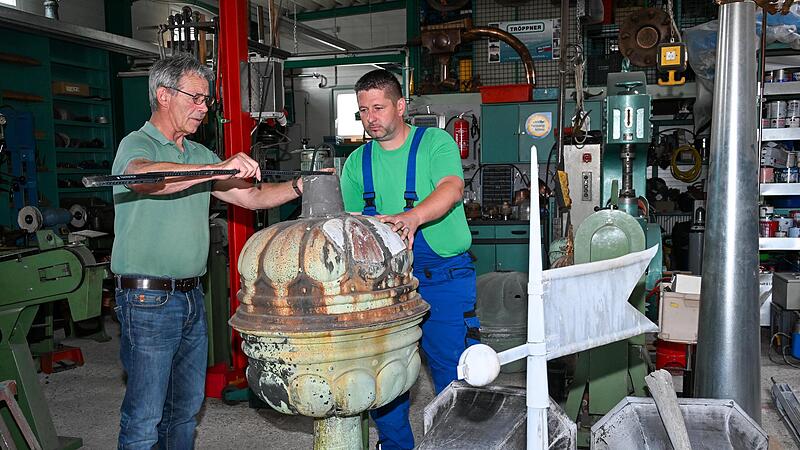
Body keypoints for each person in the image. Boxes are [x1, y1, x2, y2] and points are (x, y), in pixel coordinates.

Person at [111, 54, 303, 450]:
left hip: (191, 298)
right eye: (195, 98)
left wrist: (302, 187)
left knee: (185, 409)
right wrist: (217, 170)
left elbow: (251, 198)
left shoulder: (198, 155)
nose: (203, 108)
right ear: (164, 95)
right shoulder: (137, 144)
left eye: (206, 101)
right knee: (145, 416)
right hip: (147, 300)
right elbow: (145, 179)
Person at [339, 69, 480, 450]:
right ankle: (395, 445)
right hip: (385, 285)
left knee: (454, 372)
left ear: (400, 106)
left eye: (379, 107)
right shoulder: (356, 162)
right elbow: (353, 223)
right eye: (363, 110)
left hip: (444, 276)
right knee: (384, 376)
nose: (371, 118)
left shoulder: (435, 142)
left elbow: (451, 187)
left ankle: (455, 444)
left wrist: (412, 217)